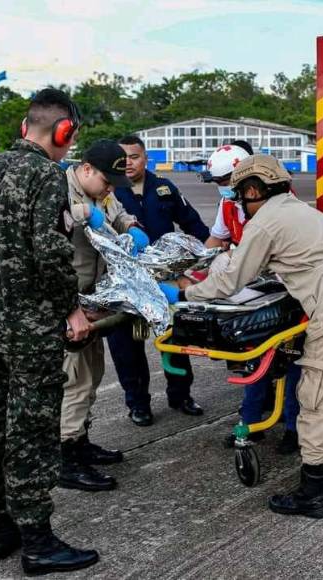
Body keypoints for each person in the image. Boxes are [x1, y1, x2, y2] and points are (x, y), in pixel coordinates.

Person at [163, 154, 323, 518]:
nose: (241, 203)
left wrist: (182, 295)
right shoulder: (300, 210)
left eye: (242, 195)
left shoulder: (266, 221)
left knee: (320, 394)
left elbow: (230, 280)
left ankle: (313, 492)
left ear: (254, 189)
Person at [0, 88, 98, 575]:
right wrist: (70, 308)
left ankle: (1, 526)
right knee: (29, 429)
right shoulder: (43, 176)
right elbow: (51, 256)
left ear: (22, 127)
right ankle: (36, 539)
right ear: (63, 132)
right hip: (30, 333)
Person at [59, 139, 149, 492]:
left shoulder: (101, 192)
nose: (110, 189)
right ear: (86, 169)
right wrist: (84, 214)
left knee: (92, 373)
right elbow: (58, 224)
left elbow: (117, 212)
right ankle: (66, 457)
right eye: (106, 181)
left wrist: (131, 227)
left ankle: (80, 441)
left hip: (93, 301)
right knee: (73, 381)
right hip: (67, 303)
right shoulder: (58, 188)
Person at [204, 142, 302, 454]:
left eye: (225, 183)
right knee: (254, 355)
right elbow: (217, 238)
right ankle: (251, 420)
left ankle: (294, 427)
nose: (223, 191)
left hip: (288, 291)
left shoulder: (281, 205)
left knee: (295, 359)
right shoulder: (229, 204)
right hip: (252, 291)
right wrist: (201, 264)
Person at [108, 135, 209, 426]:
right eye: (122, 157)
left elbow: (192, 222)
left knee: (178, 338)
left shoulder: (164, 188)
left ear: (146, 158)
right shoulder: (110, 191)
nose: (128, 162)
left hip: (165, 280)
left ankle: (181, 395)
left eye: (134, 156)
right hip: (126, 282)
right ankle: (138, 404)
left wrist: (213, 251)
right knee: (127, 347)